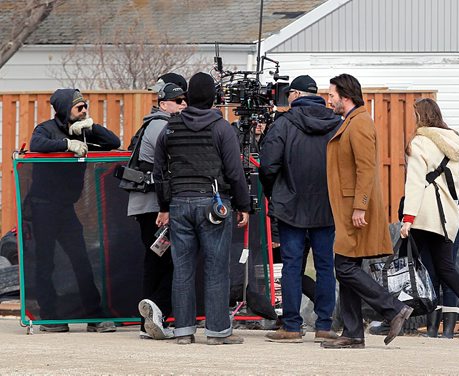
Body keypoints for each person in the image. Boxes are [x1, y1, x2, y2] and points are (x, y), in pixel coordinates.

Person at [153, 72, 251, 345]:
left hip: (179, 204)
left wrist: (165, 205)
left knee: (182, 268)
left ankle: (184, 330)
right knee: (216, 267)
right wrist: (243, 205)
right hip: (213, 203)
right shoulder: (222, 128)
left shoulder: (170, 128)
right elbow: (234, 171)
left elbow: (159, 171)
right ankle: (217, 331)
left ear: (187, 96)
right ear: (214, 98)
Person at [323, 74, 413, 349]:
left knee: (344, 265)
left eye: (332, 95)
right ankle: (352, 333)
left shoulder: (360, 123)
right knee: (347, 264)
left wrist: (360, 205)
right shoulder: (352, 121)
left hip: (354, 208)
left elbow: (366, 168)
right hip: (348, 207)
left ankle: (393, 308)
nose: (329, 99)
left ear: (346, 96)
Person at [29, 88, 121, 333]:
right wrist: (66, 144)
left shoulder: (83, 130)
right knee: (45, 263)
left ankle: (95, 316)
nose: (84, 110)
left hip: (65, 208)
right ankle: (50, 318)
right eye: (78, 107)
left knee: (81, 260)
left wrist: (90, 128)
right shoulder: (45, 129)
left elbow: (114, 142)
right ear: (63, 108)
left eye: (85, 107)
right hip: (42, 207)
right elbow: (37, 144)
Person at [259, 75, 342, 343]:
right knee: (325, 265)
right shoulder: (336, 123)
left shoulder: (283, 124)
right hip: (326, 205)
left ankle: (292, 326)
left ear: (295, 94)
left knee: (292, 266)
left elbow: (268, 165)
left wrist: (275, 192)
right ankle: (325, 325)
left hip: (290, 205)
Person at [400, 98, 459, 340]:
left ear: (421, 117)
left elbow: (416, 183)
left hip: (425, 217)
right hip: (449, 216)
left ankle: (429, 327)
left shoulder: (419, 142)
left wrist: (407, 218)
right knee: (447, 268)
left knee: (429, 271)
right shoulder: (455, 144)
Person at [130, 73, 188, 340]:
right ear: (163, 103)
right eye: (178, 100)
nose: (183, 104)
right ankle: (156, 310)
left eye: (185, 99)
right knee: (174, 263)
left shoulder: (153, 124)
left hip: (147, 205)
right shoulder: (163, 127)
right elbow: (170, 168)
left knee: (155, 262)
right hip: (156, 207)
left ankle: (148, 319)